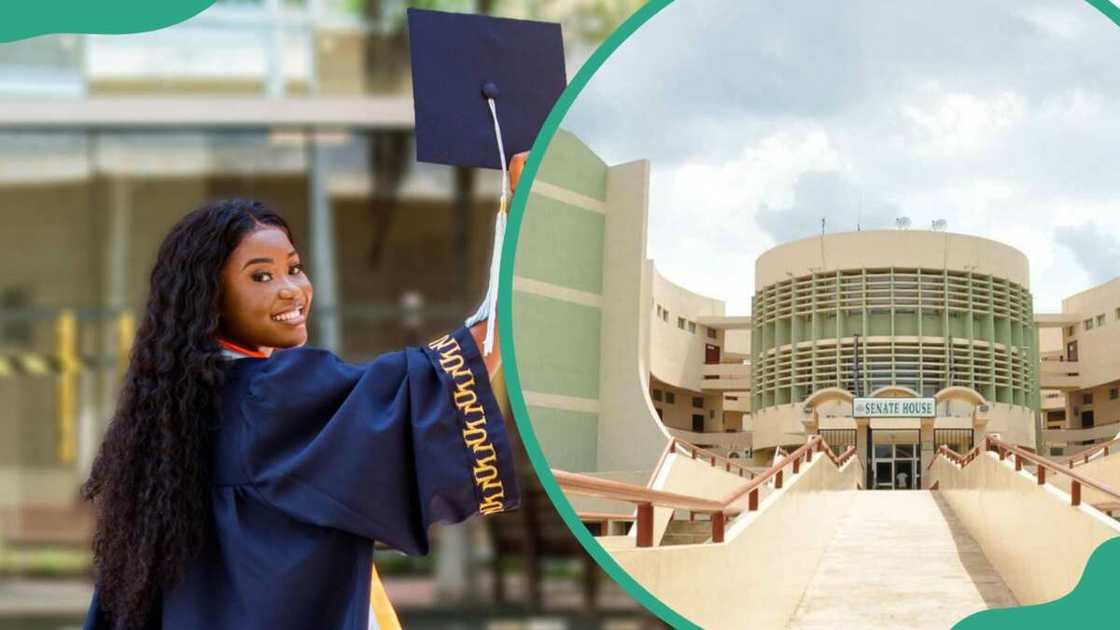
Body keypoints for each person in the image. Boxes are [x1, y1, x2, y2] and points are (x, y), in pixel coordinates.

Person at [79, 194, 520, 629]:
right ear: (209, 297)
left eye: (293, 268)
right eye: (261, 276)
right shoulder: (270, 395)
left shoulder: (180, 407)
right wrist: (523, 220)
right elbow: (442, 377)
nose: (291, 290)